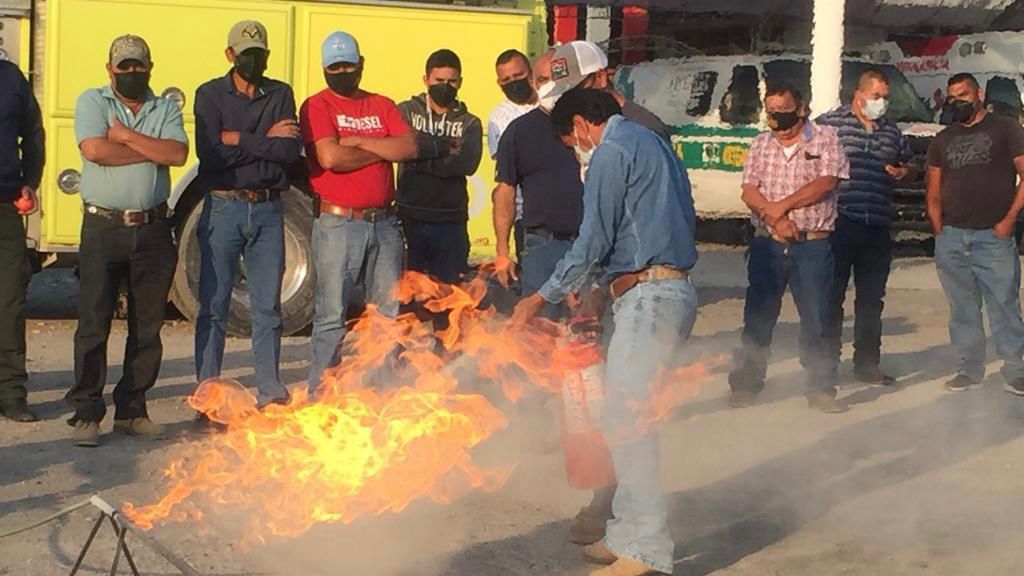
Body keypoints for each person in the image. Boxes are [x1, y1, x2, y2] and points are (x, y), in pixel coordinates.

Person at [513, 87, 698, 576]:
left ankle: (647, 548)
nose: (576, 149)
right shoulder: (652, 141)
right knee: (626, 417)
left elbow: (592, 237)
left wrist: (539, 298)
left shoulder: (611, 151)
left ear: (580, 125)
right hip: (659, 290)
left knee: (626, 419)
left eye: (570, 140)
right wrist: (604, 289)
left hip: (651, 296)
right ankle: (625, 531)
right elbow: (640, 227)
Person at [301, 31, 451, 396]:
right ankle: (321, 397)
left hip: (384, 223)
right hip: (338, 223)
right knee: (331, 317)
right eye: (334, 67)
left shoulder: (382, 104)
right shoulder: (316, 106)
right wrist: (381, 149)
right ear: (324, 69)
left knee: (386, 315)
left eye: (347, 65)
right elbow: (330, 158)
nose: (341, 72)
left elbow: (409, 147)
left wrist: (357, 143)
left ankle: (381, 395)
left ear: (361, 64)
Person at [66, 35, 188, 446]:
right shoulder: (93, 101)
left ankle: (132, 410)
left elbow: (176, 154)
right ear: (110, 69)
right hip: (103, 227)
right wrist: (147, 148)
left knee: (148, 326)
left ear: (150, 67)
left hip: (153, 229)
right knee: (93, 323)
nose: (132, 73)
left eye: (139, 66)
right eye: (125, 66)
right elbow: (95, 150)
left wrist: (127, 137)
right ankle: (86, 413)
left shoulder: (165, 106)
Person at [193, 20, 301, 420]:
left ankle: (270, 391)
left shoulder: (281, 92)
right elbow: (210, 153)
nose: (253, 60)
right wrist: (264, 139)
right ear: (230, 55)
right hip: (224, 206)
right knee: (214, 304)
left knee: (267, 307)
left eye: (259, 54)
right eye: (245, 54)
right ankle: (208, 394)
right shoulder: (208, 94)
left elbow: (289, 152)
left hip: (269, 208)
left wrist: (237, 137)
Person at [728, 81, 850, 413]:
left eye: (783, 113)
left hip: (812, 245)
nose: (776, 121)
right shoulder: (760, 144)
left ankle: (821, 389)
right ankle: (747, 385)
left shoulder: (826, 139)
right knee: (758, 318)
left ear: (801, 108)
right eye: (771, 113)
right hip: (768, 243)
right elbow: (749, 191)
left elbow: (827, 182)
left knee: (817, 318)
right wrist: (775, 218)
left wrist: (782, 206)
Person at [926, 73, 1024, 396]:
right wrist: (939, 228)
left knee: (1004, 305)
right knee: (962, 308)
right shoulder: (943, 139)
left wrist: (1009, 219)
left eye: (964, 95)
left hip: (993, 237)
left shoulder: (1006, 129)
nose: (959, 102)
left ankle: (1015, 371)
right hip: (953, 237)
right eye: (953, 98)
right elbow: (934, 188)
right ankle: (969, 369)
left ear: (978, 93)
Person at [816, 69, 914, 387]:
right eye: (876, 97)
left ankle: (867, 365)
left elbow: (907, 164)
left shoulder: (892, 132)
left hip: (878, 224)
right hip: (840, 222)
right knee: (831, 298)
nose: (881, 103)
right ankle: (826, 366)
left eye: (885, 98)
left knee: (872, 300)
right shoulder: (829, 125)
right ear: (858, 96)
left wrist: (903, 173)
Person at [492, 49, 583, 319]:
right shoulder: (518, 132)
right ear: (535, 82)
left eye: (558, 78)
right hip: (542, 245)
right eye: (544, 79)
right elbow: (505, 193)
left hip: (589, 244)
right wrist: (502, 252)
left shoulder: (589, 126)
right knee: (541, 335)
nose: (551, 86)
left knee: (586, 334)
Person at [397, 49, 483, 285]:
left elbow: (466, 164)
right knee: (407, 297)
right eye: (439, 81)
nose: (445, 86)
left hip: (450, 222)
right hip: (409, 217)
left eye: (451, 81)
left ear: (460, 83)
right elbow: (400, 149)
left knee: (448, 298)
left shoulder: (470, 122)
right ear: (426, 80)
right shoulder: (405, 111)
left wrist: (419, 155)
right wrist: (444, 149)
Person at [0, 59, 44, 423]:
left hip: (5, 210)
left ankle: (12, 394)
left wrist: (30, 179)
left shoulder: (11, 78)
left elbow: (33, 133)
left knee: (10, 303)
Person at [543, 41, 670, 144]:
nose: (572, 100)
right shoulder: (574, 129)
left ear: (601, 77)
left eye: (578, 89)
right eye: (565, 94)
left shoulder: (644, 127)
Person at [487, 49, 538, 262]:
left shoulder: (552, 103)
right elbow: (506, 178)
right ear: (499, 83)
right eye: (506, 80)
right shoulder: (499, 119)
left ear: (530, 73)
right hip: (525, 215)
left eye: (518, 76)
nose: (514, 83)